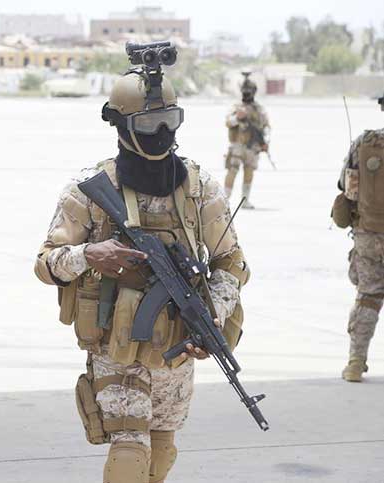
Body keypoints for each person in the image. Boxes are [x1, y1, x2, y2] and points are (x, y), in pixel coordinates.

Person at [34, 62, 250, 482]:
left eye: (170, 120)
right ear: (120, 125)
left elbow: (231, 263)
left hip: (177, 347)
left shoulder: (200, 188)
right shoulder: (90, 190)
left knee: (161, 453)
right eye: (149, 123)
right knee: (130, 454)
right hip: (115, 349)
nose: (161, 133)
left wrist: (213, 316)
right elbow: (46, 263)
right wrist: (89, 254)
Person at [333, 93, 384, 383]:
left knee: (368, 296)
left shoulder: (365, 142)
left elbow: (347, 186)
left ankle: (355, 362)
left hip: (369, 235)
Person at [223, 72, 270, 209]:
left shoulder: (258, 109)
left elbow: (264, 125)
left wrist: (264, 143)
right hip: (237, 145)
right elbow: (228, 122)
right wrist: (238, 117)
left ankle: (245, 200)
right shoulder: (236, 107)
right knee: (232, 170)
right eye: (245, 91)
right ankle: (224, 200)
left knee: (249, 171)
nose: (247, 94)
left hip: (252, 146)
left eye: (249, 91)